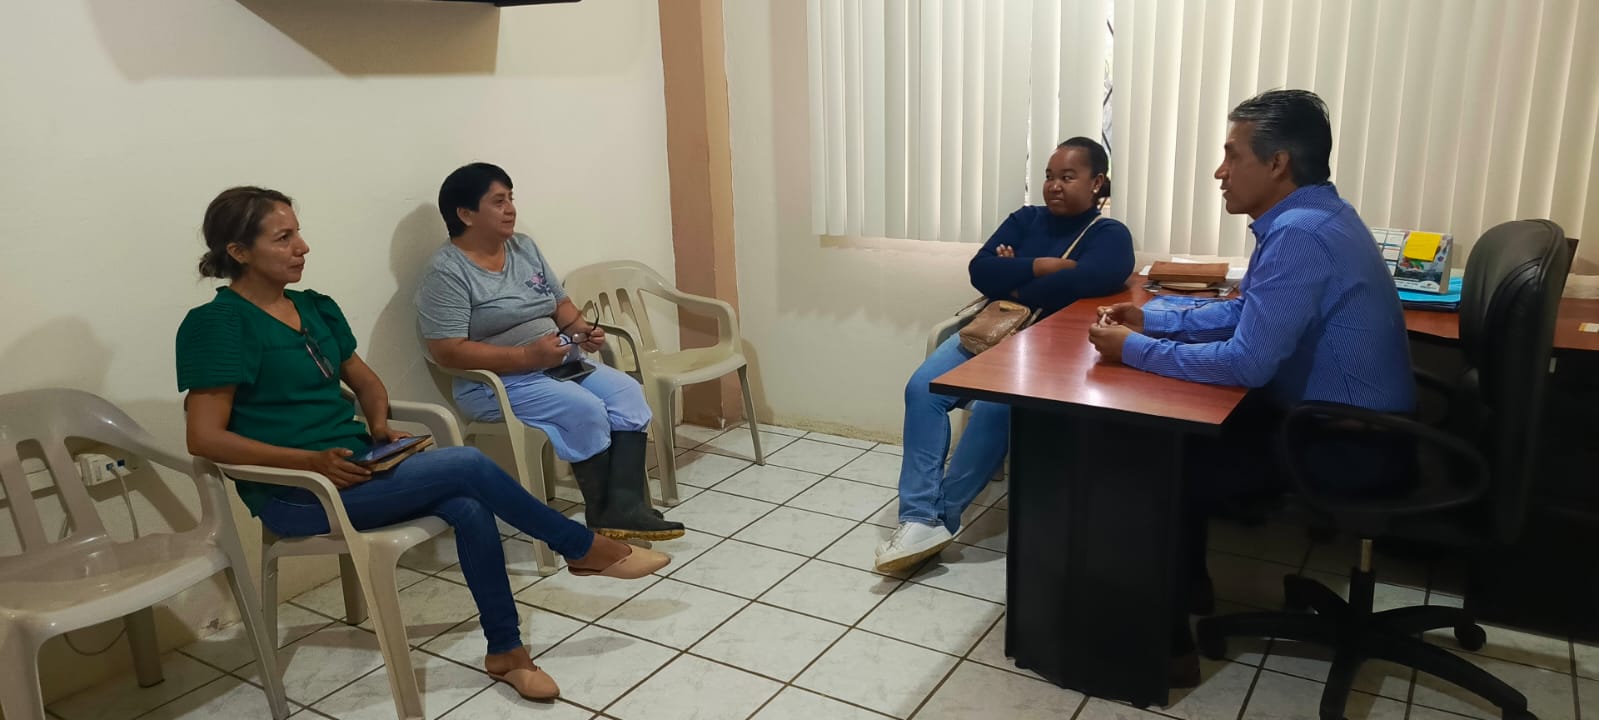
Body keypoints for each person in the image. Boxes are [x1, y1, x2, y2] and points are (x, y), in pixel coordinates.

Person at [177, 187, 667, 702]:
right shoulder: (217, 325)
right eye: (283, 238)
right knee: (467, 464)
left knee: (468, 506)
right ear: (239, 251)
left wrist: (379, 425)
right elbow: (204, 437)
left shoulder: (313, 308)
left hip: (356, 468)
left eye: (298, 233)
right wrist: (309, 461)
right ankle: (582, 548)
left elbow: (367, 383)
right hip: (298, 494)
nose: (302, 247)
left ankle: (507, 652)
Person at [1087, 89, 1417, 686]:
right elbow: (1247, 313)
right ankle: (1191, 589)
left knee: (1154, 463)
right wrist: (1151, 318)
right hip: (1351, 425)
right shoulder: (1316, 216)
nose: (1220, 171)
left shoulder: (1300, 234)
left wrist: (1130, 349)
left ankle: (1165, 650)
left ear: (1277, 163)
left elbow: (1246, 364)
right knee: (1176, 441)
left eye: (1232, 154)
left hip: (1349, 446)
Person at [876, 137, 1136, 573]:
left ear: (1097, 183)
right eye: (1049, 176)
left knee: (995, 407)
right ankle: (919, 515)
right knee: (923, 390)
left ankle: (941, 517)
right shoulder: (1025, 218)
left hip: (1049, 347)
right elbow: (980, 270)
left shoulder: (1109, 234)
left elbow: (1093, 279)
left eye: (1068, 177)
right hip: (991, 333)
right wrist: (1043, 267)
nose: (1054, 186)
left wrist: (1012, 275)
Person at [416, 163, 683, 541]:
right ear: (465, 214)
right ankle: (604, 515)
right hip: (497, 384)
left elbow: (560, 305)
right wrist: (527, 358)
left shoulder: (523, 248)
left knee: (627, 392)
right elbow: (448, 351)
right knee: (585, 408)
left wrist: (581, 330)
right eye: (498, 201)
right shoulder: (446, 272)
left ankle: (623, 509)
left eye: (511, 199)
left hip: (559, 364)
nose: (511, 209)